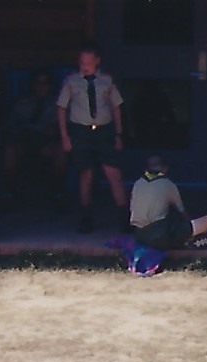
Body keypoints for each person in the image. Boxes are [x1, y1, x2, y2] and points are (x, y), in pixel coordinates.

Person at [57, 45, 129, 232]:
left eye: (88, 63)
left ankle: (124, 217)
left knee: (113, 173)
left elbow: (116, 107)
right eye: (82, 63)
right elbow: (61, 108)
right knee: (86, 173)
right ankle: (86, 217)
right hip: (81, 132)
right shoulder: (71, 81)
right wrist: (65, 136)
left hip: (104, 131)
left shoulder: (106, 81)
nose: (85, 66)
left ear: (97, 61)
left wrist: (118, 133)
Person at [129, 153, 207, 250]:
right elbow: (182, 213)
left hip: (139, 236)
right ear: (165, 168)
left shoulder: (137, 183)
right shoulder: (168, 184)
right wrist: (190, 228)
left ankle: (183, 241)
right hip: (160, 235)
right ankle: (189, 241)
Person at [2, 69, 64, 200]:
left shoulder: (57, 105)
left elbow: (63, 127)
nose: (41, 87)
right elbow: (10, 125)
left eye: (45, 83)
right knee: (9, 151)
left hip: (46, 142)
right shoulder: (22, 103)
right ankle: (8, 192)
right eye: (38, 83)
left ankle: (58, 193)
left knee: (60, 152)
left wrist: (53, 130)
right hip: (25, 141)